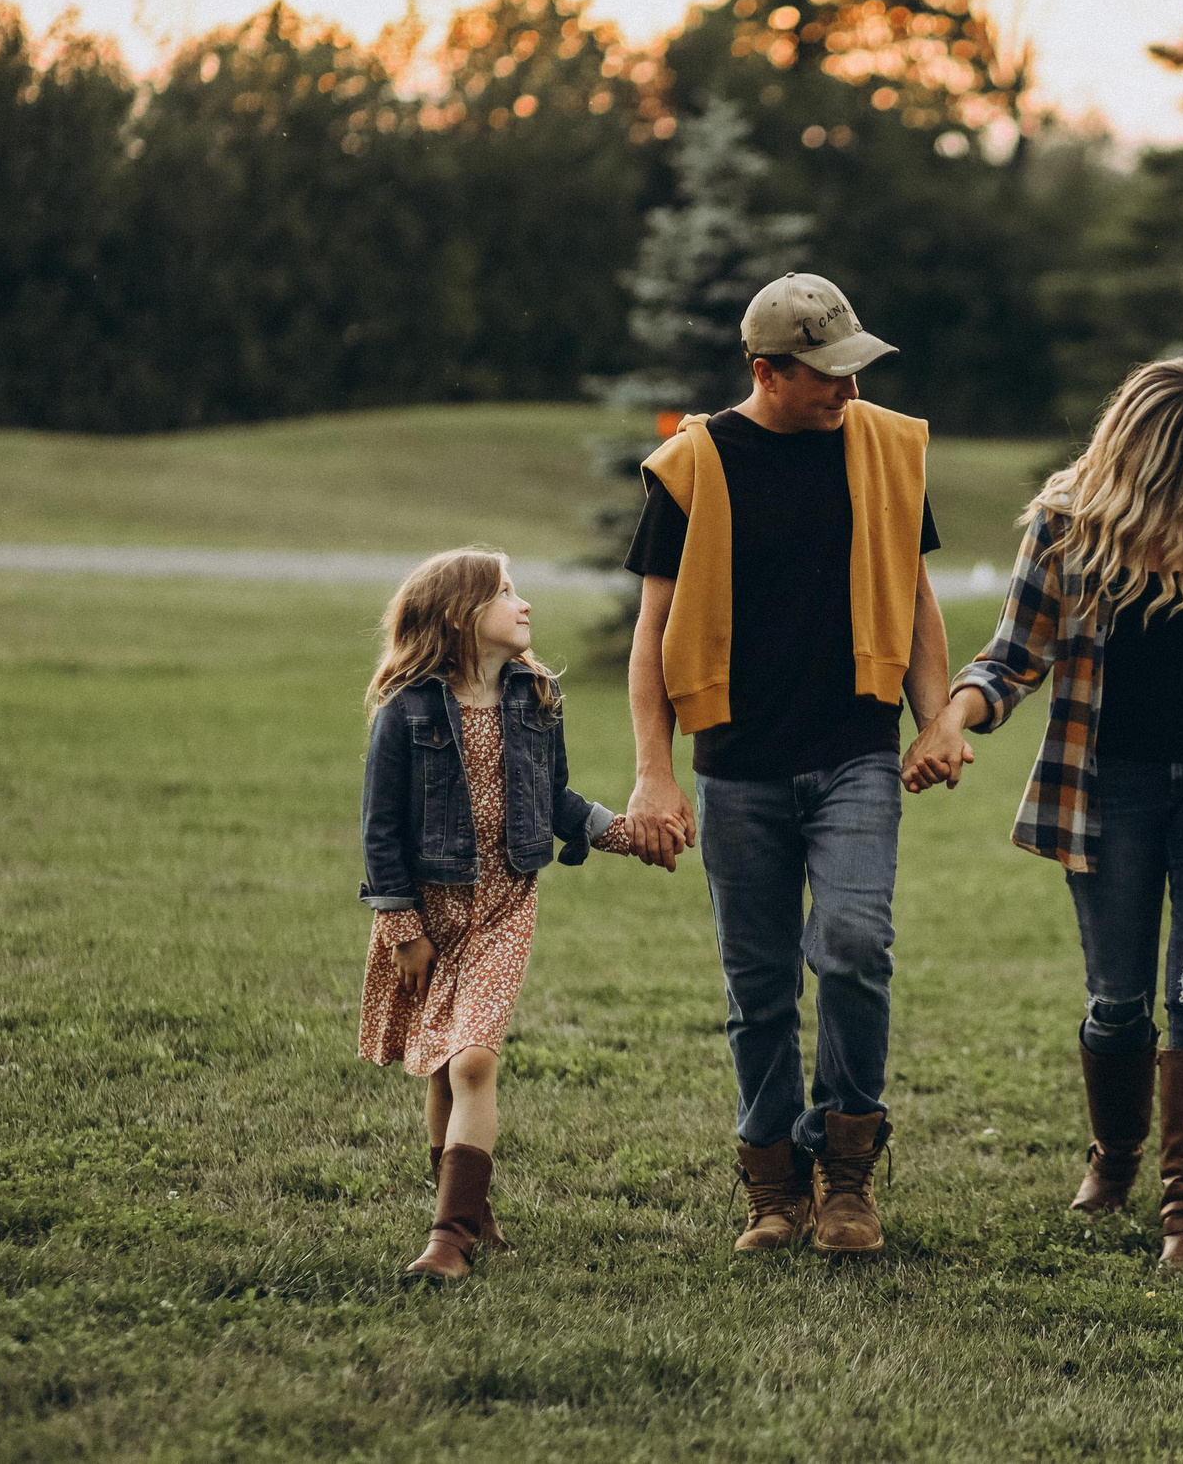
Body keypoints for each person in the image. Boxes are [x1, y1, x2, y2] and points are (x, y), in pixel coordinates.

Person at [905, 359, 1183, 1269]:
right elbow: (1014, 657)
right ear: (1170, 459)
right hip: (1111, 781)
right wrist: (950, 716)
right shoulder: (1071, 521)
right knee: (1117, 1000)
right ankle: (1116, 1154)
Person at [621, 272, 950, 1257]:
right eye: (825, 376)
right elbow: (651, 635)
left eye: (855, 371)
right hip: (738, 767)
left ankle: (846, 1174)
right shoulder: (693, 465)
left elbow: (918, 599)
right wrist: (654, 772)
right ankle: (774, 1183)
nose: (847, 391)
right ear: (766, 371)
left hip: (854, 751)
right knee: (757, 983)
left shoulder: (889, 449)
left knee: (852, 946)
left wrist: (933, 719)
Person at [355, 548, 632, 1284]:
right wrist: (403, 932)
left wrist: (620, 831)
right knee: (445, 1069)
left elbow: (556, 799)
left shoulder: (536, 695)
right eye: (506, 591)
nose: (524, 603)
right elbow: (380, 830)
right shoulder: (408, 708)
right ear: (460, 615)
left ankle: (449, 1241)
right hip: (431, 911)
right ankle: (471, 1206)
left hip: (506, 904)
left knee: (473, 1055)